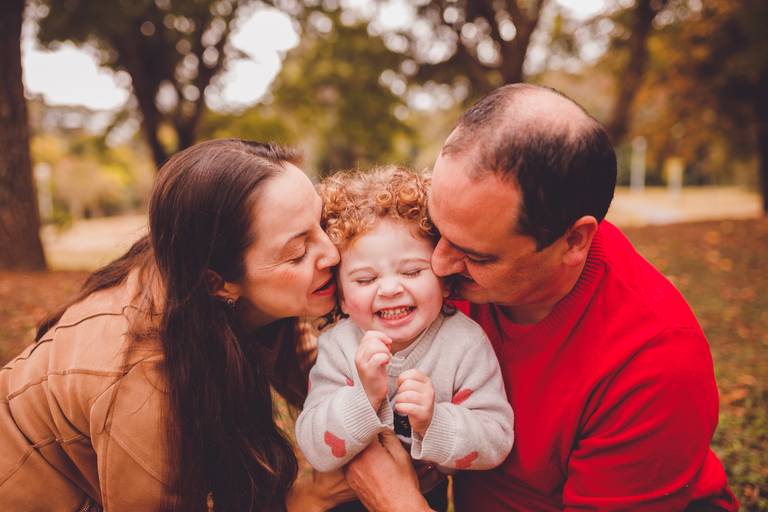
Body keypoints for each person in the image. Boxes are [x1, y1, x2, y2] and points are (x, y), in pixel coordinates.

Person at [344, 84, 739, 511]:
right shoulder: (448, 261)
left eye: (475, 255)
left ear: (573, 241)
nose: (438, 265)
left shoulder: (653, 362)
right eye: (438, 231)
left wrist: (398, 503)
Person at [0, 139, 354, 511]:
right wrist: (306, 500)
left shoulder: (198, 266)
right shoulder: (145, 382)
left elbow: (317, 372)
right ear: (218, 283)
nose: (331, 252)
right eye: (297, 252)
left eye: (321, 222)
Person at [295, 167, 515, 510]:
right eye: (366, 279)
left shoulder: (465, 343)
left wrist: (434, 421)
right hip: (346, 498)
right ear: (340, 296)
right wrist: (363, 397)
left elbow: (496, 440)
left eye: (412, 271)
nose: (391, 288)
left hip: (420, 498)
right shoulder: (339, 347)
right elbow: (315, 449)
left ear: (443, 278)